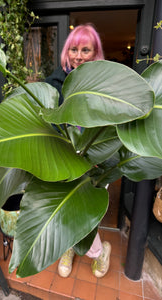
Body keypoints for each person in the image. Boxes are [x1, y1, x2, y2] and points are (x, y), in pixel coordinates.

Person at [45, 23, 111, 279]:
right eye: (74, 49)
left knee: (84, 213)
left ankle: (98, 250)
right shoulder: (55, 82)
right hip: (63, 160)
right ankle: (74, 248)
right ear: (67, 51)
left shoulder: (104, 85)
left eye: (86, 49)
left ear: (95, 54)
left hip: (95, 161)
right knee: (66, 209)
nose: (79, 55)